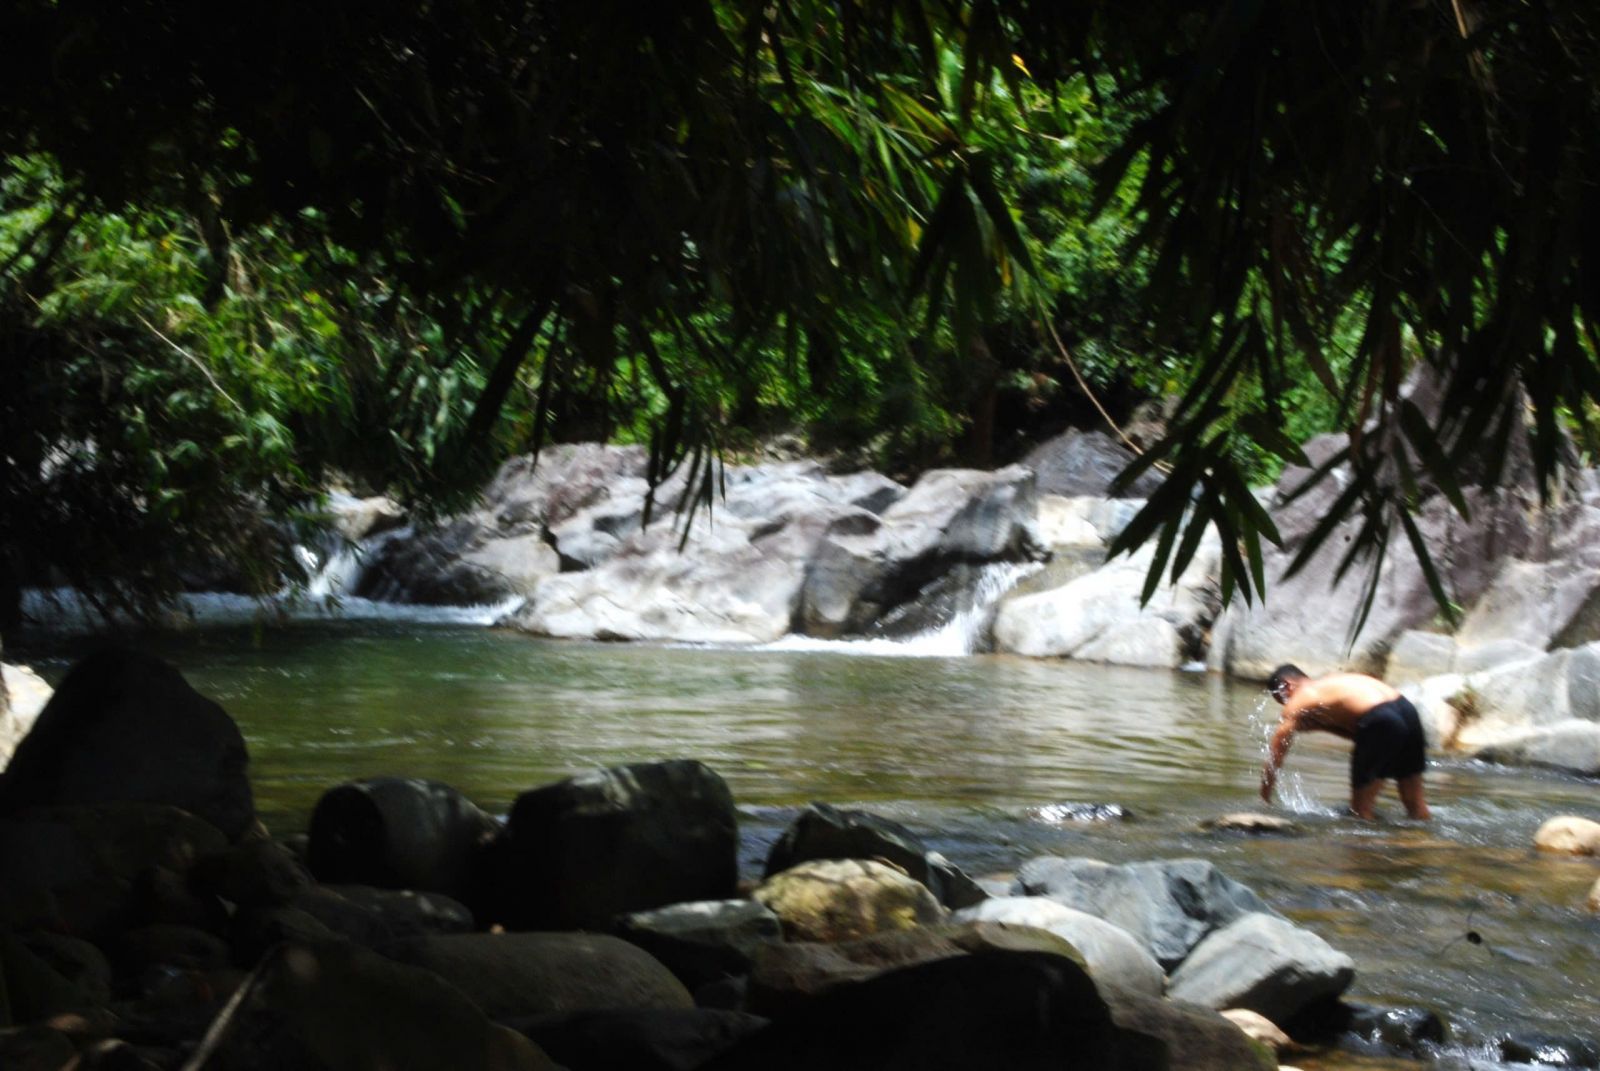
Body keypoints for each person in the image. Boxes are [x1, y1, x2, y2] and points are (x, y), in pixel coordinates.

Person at [1260, 664, 1431, 820]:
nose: (1286, 705)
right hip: (1406, 710)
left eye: (1283, 700)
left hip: (1380, 719)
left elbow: (1276, 755)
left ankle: (1366, 846)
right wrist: (1323, 727)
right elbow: (1367, 733)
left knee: (1360, 813)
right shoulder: (1332, 683)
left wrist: (1264, 799)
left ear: (1287, 686)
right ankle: (1423, 838)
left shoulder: (1298, 701)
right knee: (1414, 803)